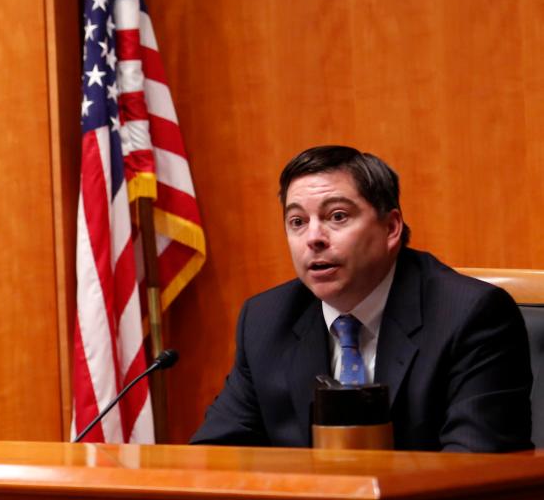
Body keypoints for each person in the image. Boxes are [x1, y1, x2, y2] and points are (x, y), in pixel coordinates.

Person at [192, 145, 532, 452]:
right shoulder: (266, 320)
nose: (313, 238)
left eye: (337, 216)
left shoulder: (469, 315)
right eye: (297, 221)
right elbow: (216, 456)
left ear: (391, 228)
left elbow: (473, 467)